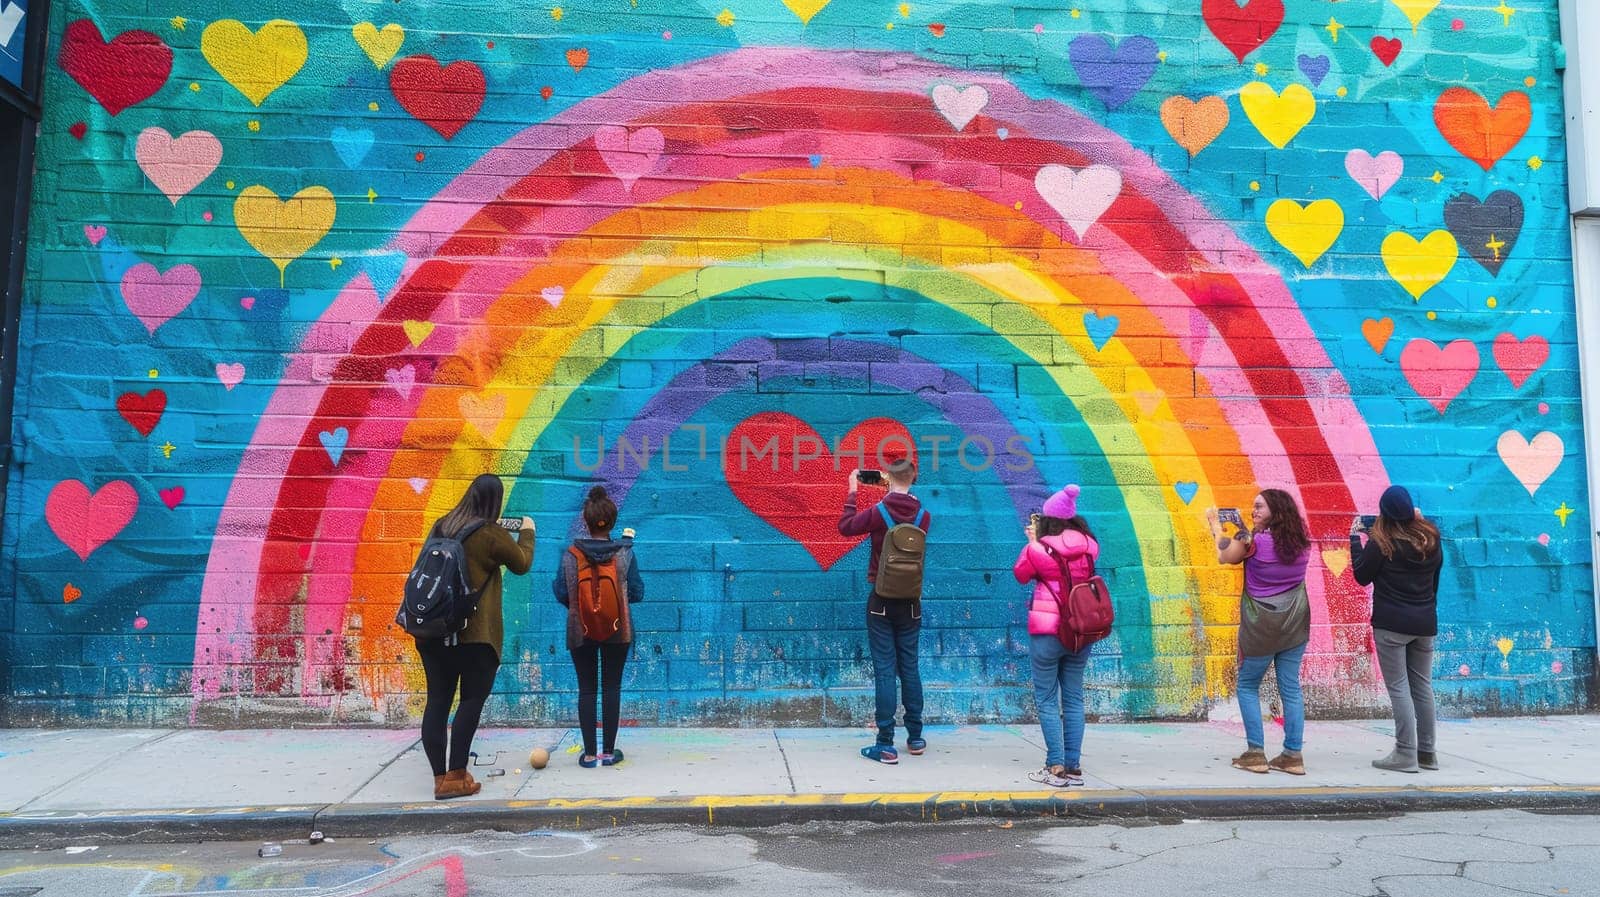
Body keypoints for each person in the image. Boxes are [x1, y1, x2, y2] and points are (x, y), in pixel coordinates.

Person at [415, 473, 534, 800]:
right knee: (470, 701)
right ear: (494, 503)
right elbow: (522, 563)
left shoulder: (441, 526)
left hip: (433, 632)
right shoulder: (491, 534)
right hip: (474, 636)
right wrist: (527, 531)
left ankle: (440, 778)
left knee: (437, 702)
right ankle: (456, 776)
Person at [1208, 489, 1311, 776]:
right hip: (1295, 624)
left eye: (1259, 507)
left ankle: (1255, 753)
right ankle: (1292, 755)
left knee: (1247, 686)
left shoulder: (1251, 541)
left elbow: (1224, 556)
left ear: (1276, 511)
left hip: (1260, 628)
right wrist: (1247, 530)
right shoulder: (1303, 545)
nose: (1253, 511)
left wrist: (1216, 526)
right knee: (1290, 688)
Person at [840, 456, 931, 765]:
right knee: (910, 667)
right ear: (914, 479)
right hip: (911, 602)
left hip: (881, 601)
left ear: (887, 480)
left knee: (884, 670)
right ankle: (916, 737)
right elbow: (908, 506)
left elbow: (846, 527)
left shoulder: (879, 512)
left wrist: (853, 492)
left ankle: (885, 743)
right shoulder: (924, 515)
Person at [1351, 485, 1444, 774]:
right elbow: (1435, 582)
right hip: (1425, 623)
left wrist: (1356, 538)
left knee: (1399, 688)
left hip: (1392, 625)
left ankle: (1405, 753)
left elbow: (1361, 576)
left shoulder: (1382, 543)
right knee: (1422, 686)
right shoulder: (1431, 540)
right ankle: (1427, 752)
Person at [1012, 484, 1099, 787]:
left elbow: (1021, 574)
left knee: (1048, 698)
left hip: (1048, 632)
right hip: (1081, 630)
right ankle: (1073, 765)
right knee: (1074, 697)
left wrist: (1032, 542)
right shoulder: (1090, 545)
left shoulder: (1039, 549)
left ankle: (1055, 766)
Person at [554, 485, 644, 768]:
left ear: (587, 521)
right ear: (612, 522)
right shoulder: (625, 554)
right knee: (611, 687)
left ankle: (590, 754)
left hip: (580, 630)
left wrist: (584, 608)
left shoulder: (570, 554)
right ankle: (608, 752)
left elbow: (560, 591)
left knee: (587, 689)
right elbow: (638, 593)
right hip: (619, 630)